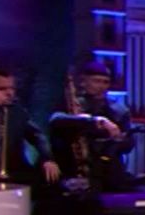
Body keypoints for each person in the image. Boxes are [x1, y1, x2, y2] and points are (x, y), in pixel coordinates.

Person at [53, 60, 137, 190]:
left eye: (106, 82)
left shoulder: (119, 110)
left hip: (108, 171)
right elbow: (55, 120)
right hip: (75, 168)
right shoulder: (72, 105)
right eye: (96, 81)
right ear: (83, 81)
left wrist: (119, 139)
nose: (102, 86)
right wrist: (95, 121)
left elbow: (129, 144)